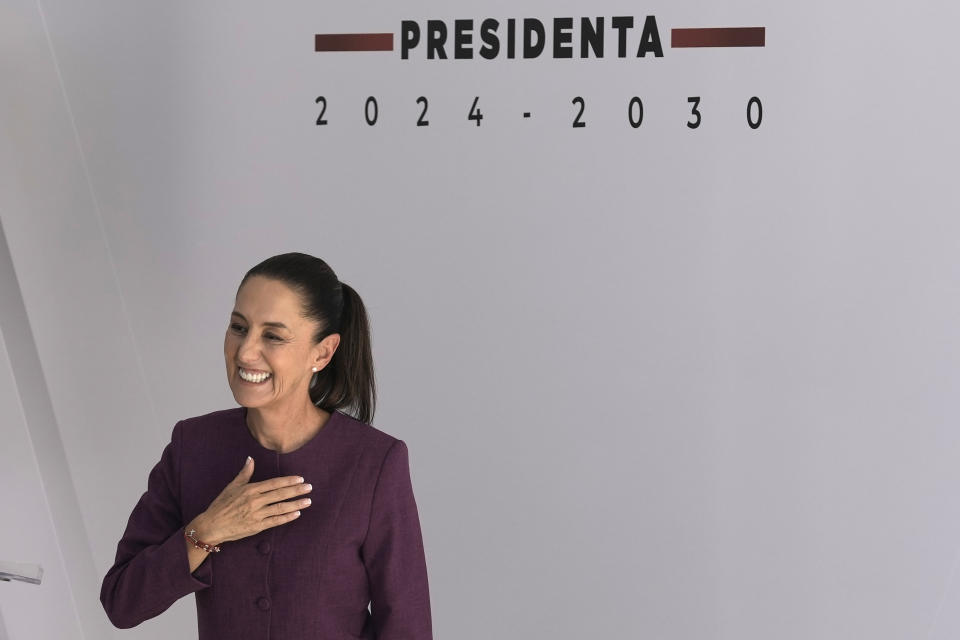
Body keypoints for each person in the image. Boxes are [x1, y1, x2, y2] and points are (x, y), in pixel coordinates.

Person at [100, 252, 433, 639]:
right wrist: (207, 531)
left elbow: (407, 627)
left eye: (272, 335)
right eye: (238, 327)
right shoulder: (193, 447)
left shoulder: (375, 463)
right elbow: (122, 602)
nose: (244, 352)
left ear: (322, 352)